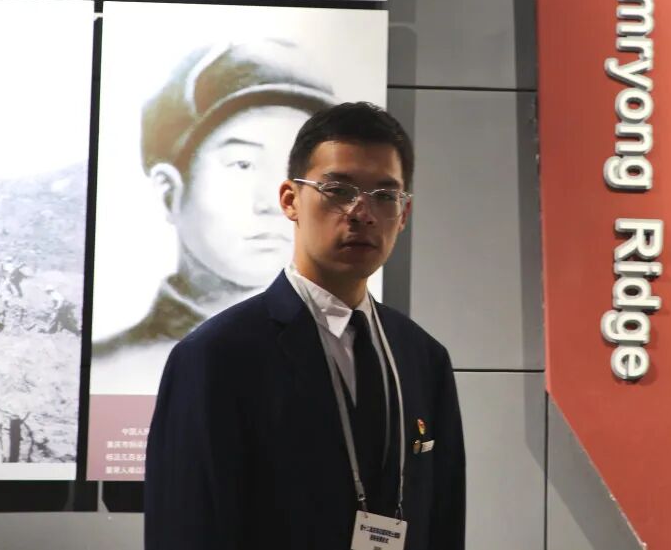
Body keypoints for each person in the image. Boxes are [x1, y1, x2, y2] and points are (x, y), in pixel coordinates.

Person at [146, 102, 465, 550]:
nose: (362, 212)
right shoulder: (216, 357)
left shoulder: (423, 358)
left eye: (384, 195)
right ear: (290, 200)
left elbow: (443, 520)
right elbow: (186, 528)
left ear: (404, 213)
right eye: (338, 190)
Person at [91, 39, 336, 393]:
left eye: (297, 170)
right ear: (169, 190)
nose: (275, 203)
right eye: (243, 164)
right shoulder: (109, 372)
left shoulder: (347, 361)